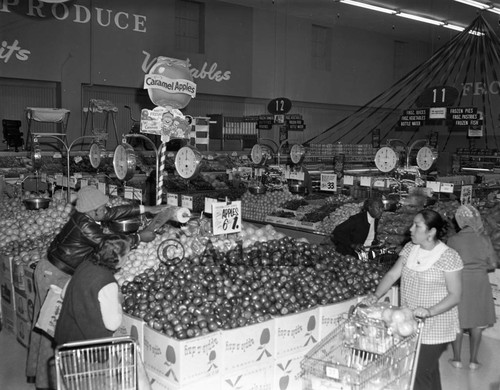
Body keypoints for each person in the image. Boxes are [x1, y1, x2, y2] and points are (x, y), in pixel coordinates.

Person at [26, 186, 170, 390]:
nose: (106, 210)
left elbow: (113, 212)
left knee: (46, 325)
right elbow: (108, 245)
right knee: (50, 330)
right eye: (102, 208)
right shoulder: (86, 227)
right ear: (92, 211)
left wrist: (147, 208)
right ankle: (45, 382)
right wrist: (139, 237)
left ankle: (42, 376)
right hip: (53, 274)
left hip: (58, 270)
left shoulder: (90, 214)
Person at [366, 209, 463, 390]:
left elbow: (455, 295)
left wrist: (429, 311)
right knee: (428, 370)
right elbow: (393, 274)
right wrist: (376, 295)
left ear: (431, 232)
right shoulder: (410, 249)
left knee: (417, 372)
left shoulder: (448, 256)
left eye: (417, 225)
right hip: (409, 322)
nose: (410, 229)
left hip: (436, 326)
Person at [447, 204, 498, 370]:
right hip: (480, 283)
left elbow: (447, 264)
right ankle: (474, 361)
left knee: (458, 322)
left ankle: (456, 359)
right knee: (477, 323)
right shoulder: (484, 239)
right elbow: (493, 264)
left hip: (459, 282)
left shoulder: (453, 240)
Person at [54, 235, 129, 345]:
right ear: (119, 257)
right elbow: (112, 324)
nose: (127, 259)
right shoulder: (108, 282)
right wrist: (119, 302)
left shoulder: (85, 265)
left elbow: (64, 293)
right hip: (89, 347)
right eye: (127, 255)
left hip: (66, 339)